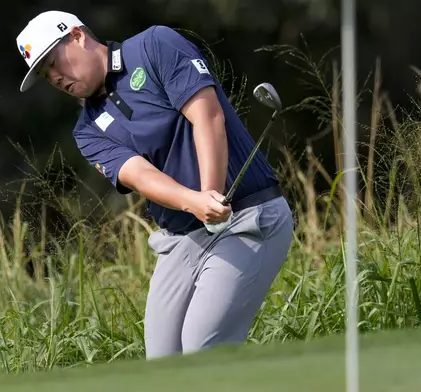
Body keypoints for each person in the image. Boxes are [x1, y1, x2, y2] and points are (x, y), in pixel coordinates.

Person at [15, 10, 295, 360]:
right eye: (46, 75)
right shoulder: (86, 130)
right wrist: (194, 202)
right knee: (162, 363)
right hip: (181, 240)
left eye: (54, 62)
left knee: (201, 348)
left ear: (76, 36)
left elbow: (207, 116)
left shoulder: (154, 46)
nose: (55, 77)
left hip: (249, 217)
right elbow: (140, 175)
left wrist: (208, 193)